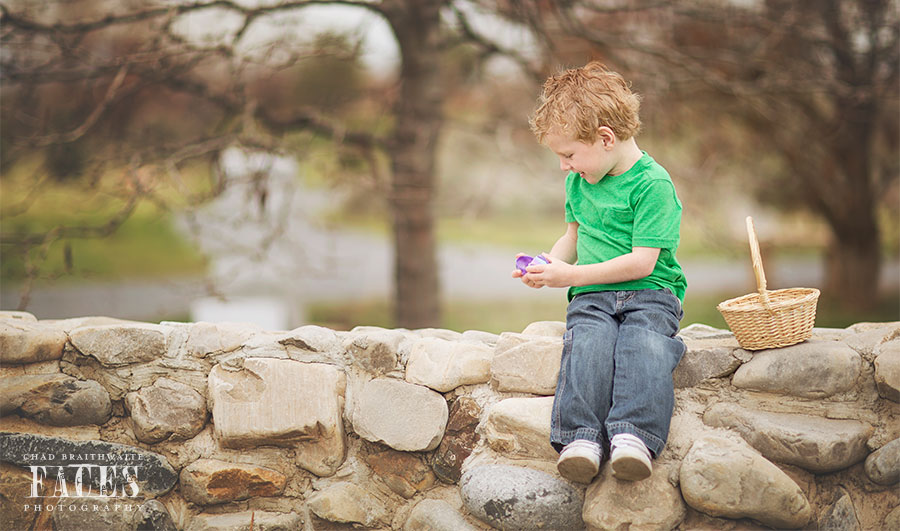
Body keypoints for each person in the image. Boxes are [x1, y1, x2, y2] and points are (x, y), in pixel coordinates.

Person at [513, 62, 687, 484]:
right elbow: (572, 235)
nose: (564, 167)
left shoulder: (652, 185)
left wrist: (571, 275)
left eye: (568, 155)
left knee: (642, 345)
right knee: (588, 342)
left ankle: (633, 437)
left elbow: (642, 262)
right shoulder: (580, 182)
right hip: (593, 295)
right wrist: (550, 264)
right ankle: (582, 439)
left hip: (650, 292)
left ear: (605, 138)